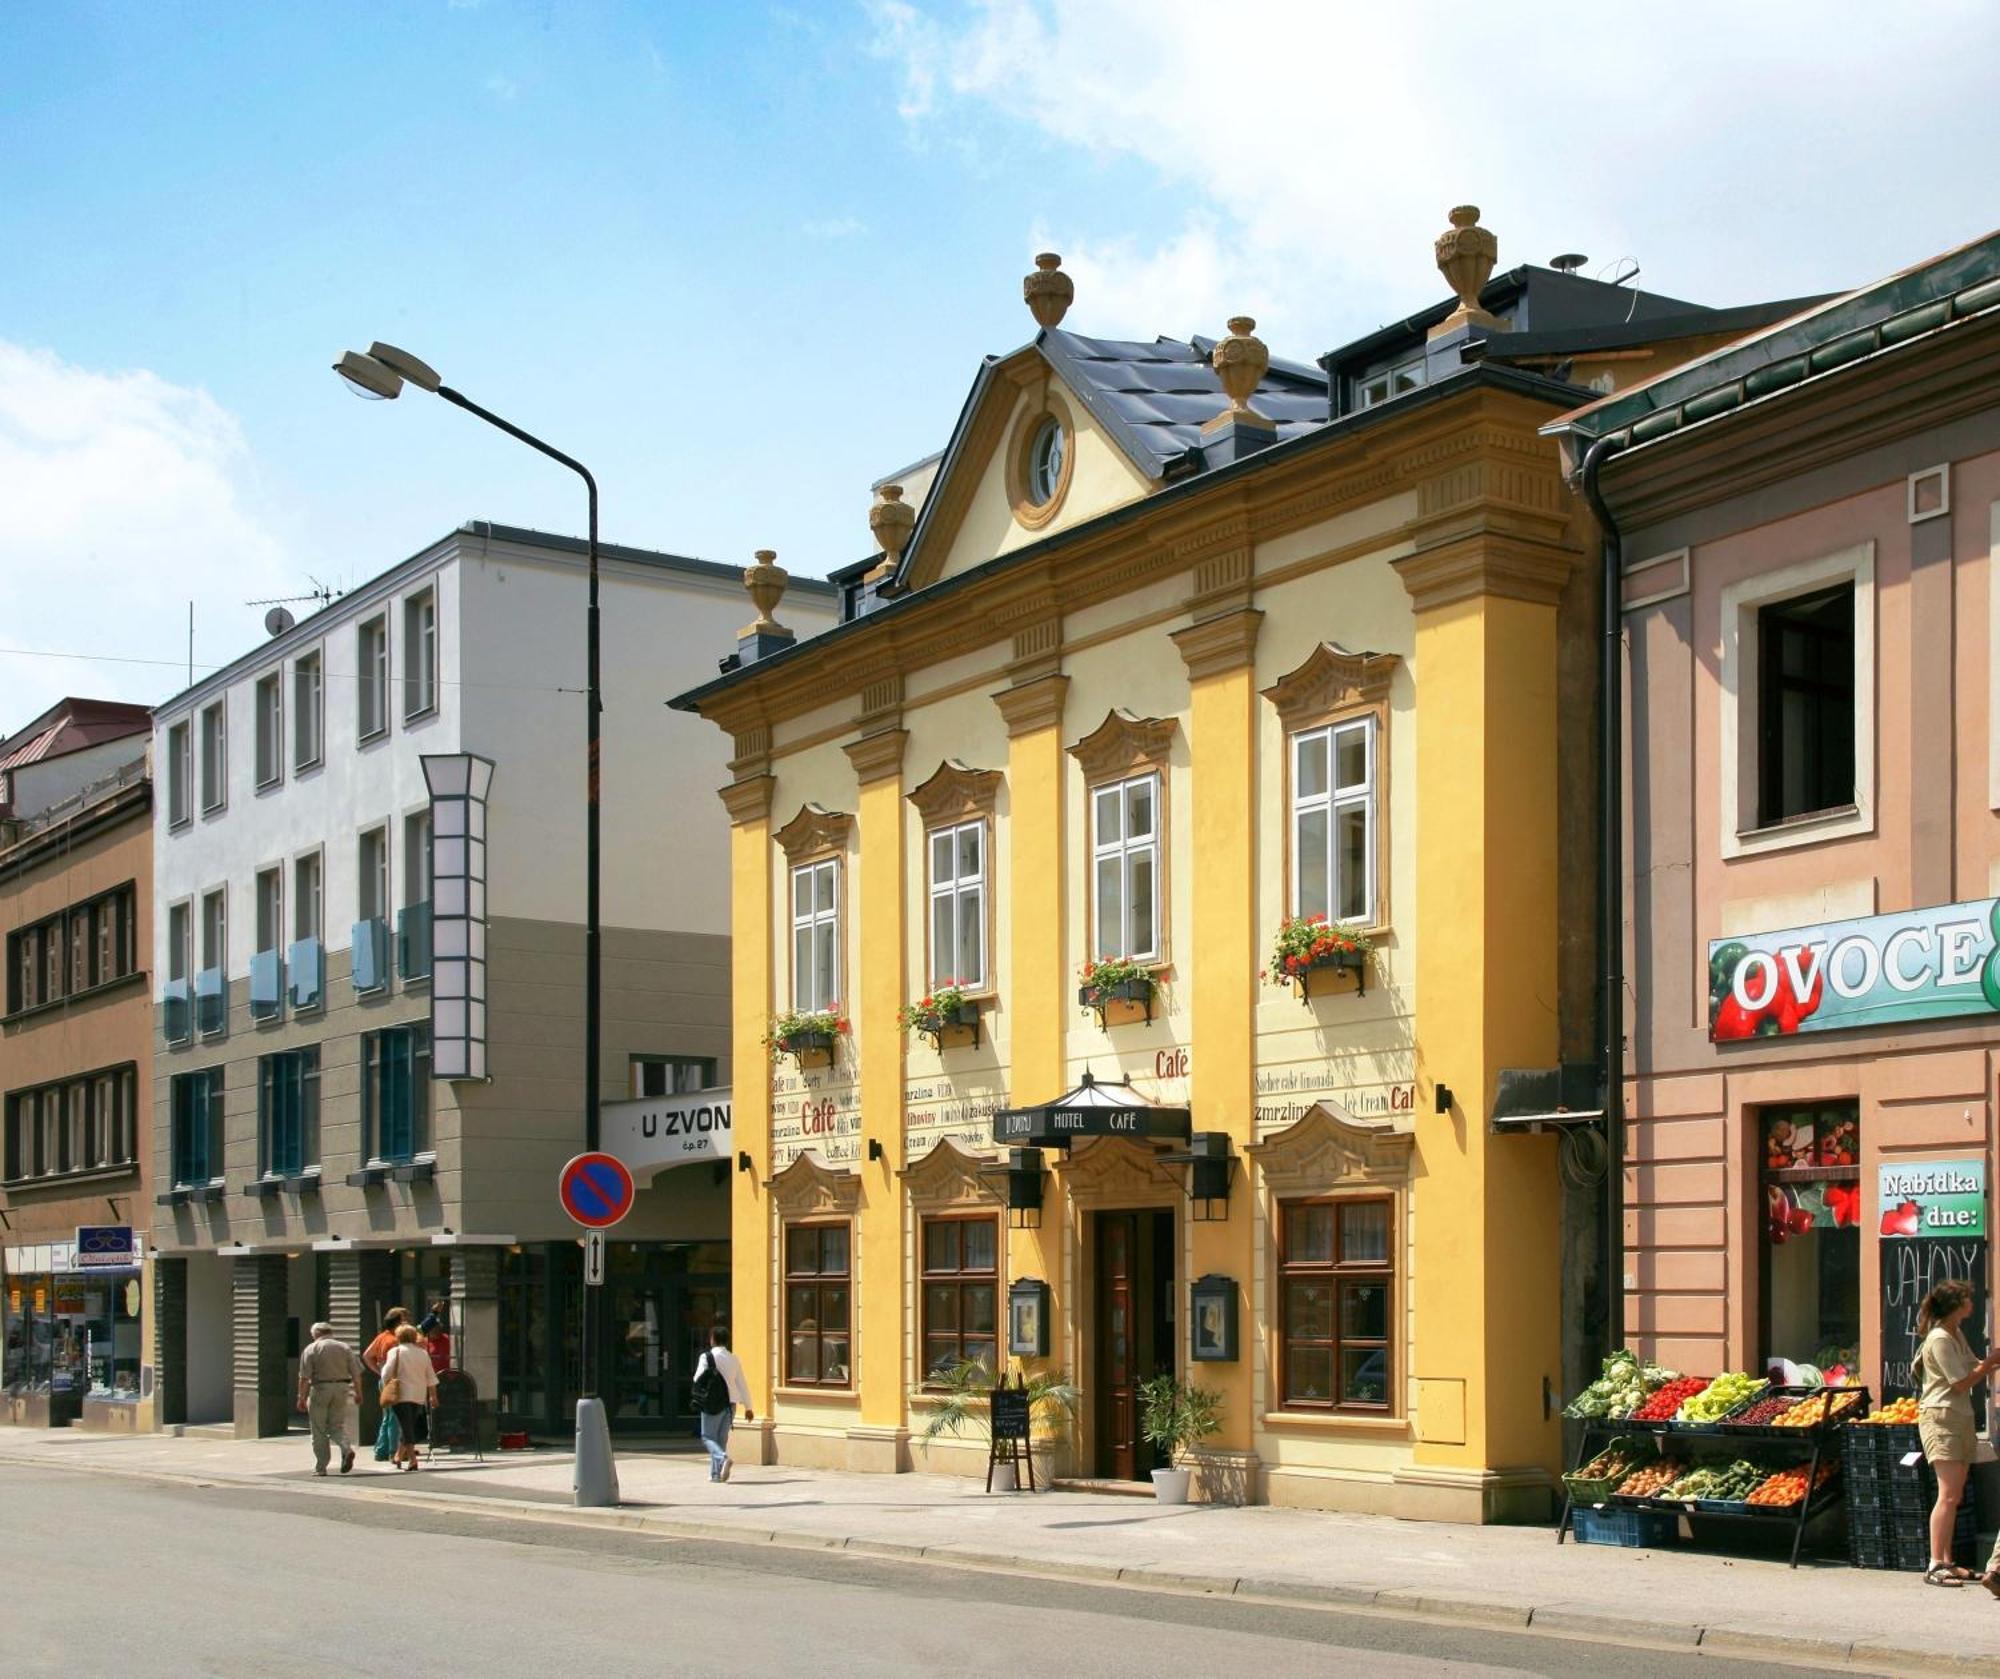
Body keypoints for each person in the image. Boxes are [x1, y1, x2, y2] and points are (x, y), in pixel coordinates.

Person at [1914, 1278, 2000, 1585]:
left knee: (1955, 1493)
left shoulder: (1955, 1333)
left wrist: (1989, 1363)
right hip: (1942, 1418)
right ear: (1956, 1305)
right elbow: (1960, 1381)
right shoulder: (1939, 1338)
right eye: (1967, 1299)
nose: (1971, 1304)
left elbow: (1972, 1366)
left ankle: (1947, 1561)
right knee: (1947, 1494)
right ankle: (1935, 1564)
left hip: (1959, 1416)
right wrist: (1990, 1362)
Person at [295, 1322, 365, 1476]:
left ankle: (321, 1466)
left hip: (320, 1388)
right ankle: (346, 1448)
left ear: (315, 1334)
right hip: (342, 1388)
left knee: (318, 1429)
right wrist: (358, 1393)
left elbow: (304, 1377)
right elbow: (356, 1373)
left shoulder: (311, 1348)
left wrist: (301, 1397)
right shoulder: (344, 1347)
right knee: (336, 1425)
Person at [692, 1324, 753, 1483]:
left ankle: (723, 1458)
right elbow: (742, 1383)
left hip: (711, 1403)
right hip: (730, 1404)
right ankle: (715, 1475)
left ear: (712, 1339)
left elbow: (697, 1378)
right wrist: (748, 1407)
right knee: (721, 1439)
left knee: (707, 1437)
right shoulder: (734, 1358)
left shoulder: (707, 1357)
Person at [378, 1322, 438, 1473]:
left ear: (399, 1336)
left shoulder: (395, 1351)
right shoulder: (423, 1353)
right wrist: (433, 1396)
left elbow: (385, 1373)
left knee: (406, 1426)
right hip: (418, 1395)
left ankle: (412, 1460)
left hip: (401, 1394)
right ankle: (399, 1455)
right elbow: (430, 1376)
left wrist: (386, 1383)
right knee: (408, 1425)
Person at [420, 1304, 452, 1375]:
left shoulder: (446, 1339)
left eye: (438, 1328)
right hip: (429, 1376)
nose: (436, 1331)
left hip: (445, 1376)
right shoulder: (423, 1341)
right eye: (433, 1328)